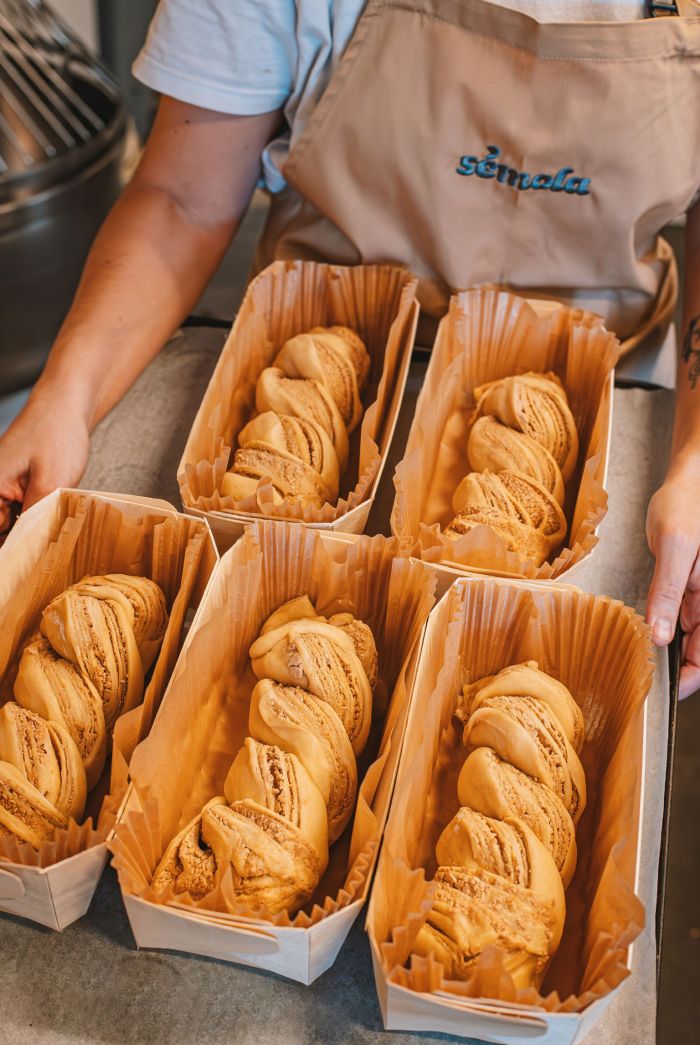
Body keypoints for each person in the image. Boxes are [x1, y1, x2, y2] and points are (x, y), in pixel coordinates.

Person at [0, 0, 699, 694]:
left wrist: (696, 460)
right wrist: (65, 398)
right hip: (323, 377)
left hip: (601, 421)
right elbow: (183, 196)